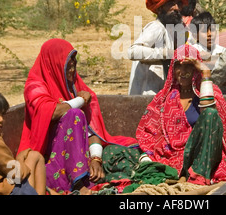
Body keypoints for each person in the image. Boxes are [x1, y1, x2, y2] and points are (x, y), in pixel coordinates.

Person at [18, 38, 137, 194]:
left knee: (122, 153)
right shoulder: (35, 86)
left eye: (74, 66)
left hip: (80, 153)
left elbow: (91, 129)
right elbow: (51, 112)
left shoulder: (73, 86)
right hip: (48, 155)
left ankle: (90, 176)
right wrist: (80, 100)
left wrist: (95, 158)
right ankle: (79, 184)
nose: (72, 71)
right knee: (74, 114)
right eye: (68, 66)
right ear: (54, 64)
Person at [136, 44, 226, 185]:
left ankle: (198, 176)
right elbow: (148, 131)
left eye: (189, 66)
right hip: (173, 155)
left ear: (196, 69)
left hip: (202, 155)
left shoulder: (211, 92)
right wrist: (148, 155)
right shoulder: (165, 97)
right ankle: (181, 173)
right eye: (179, 66)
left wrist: (206, 72)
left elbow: (210, 115)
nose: (183, 71)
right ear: (173, 68)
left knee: (210, 113)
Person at [128, 0, 190, 95]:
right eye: (171, 4)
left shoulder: (172, 31)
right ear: (161, 7)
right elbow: (132, 51)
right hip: (145, 97)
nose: (176, 8)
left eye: (179, 4)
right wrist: (165, 53)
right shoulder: (156, 27)